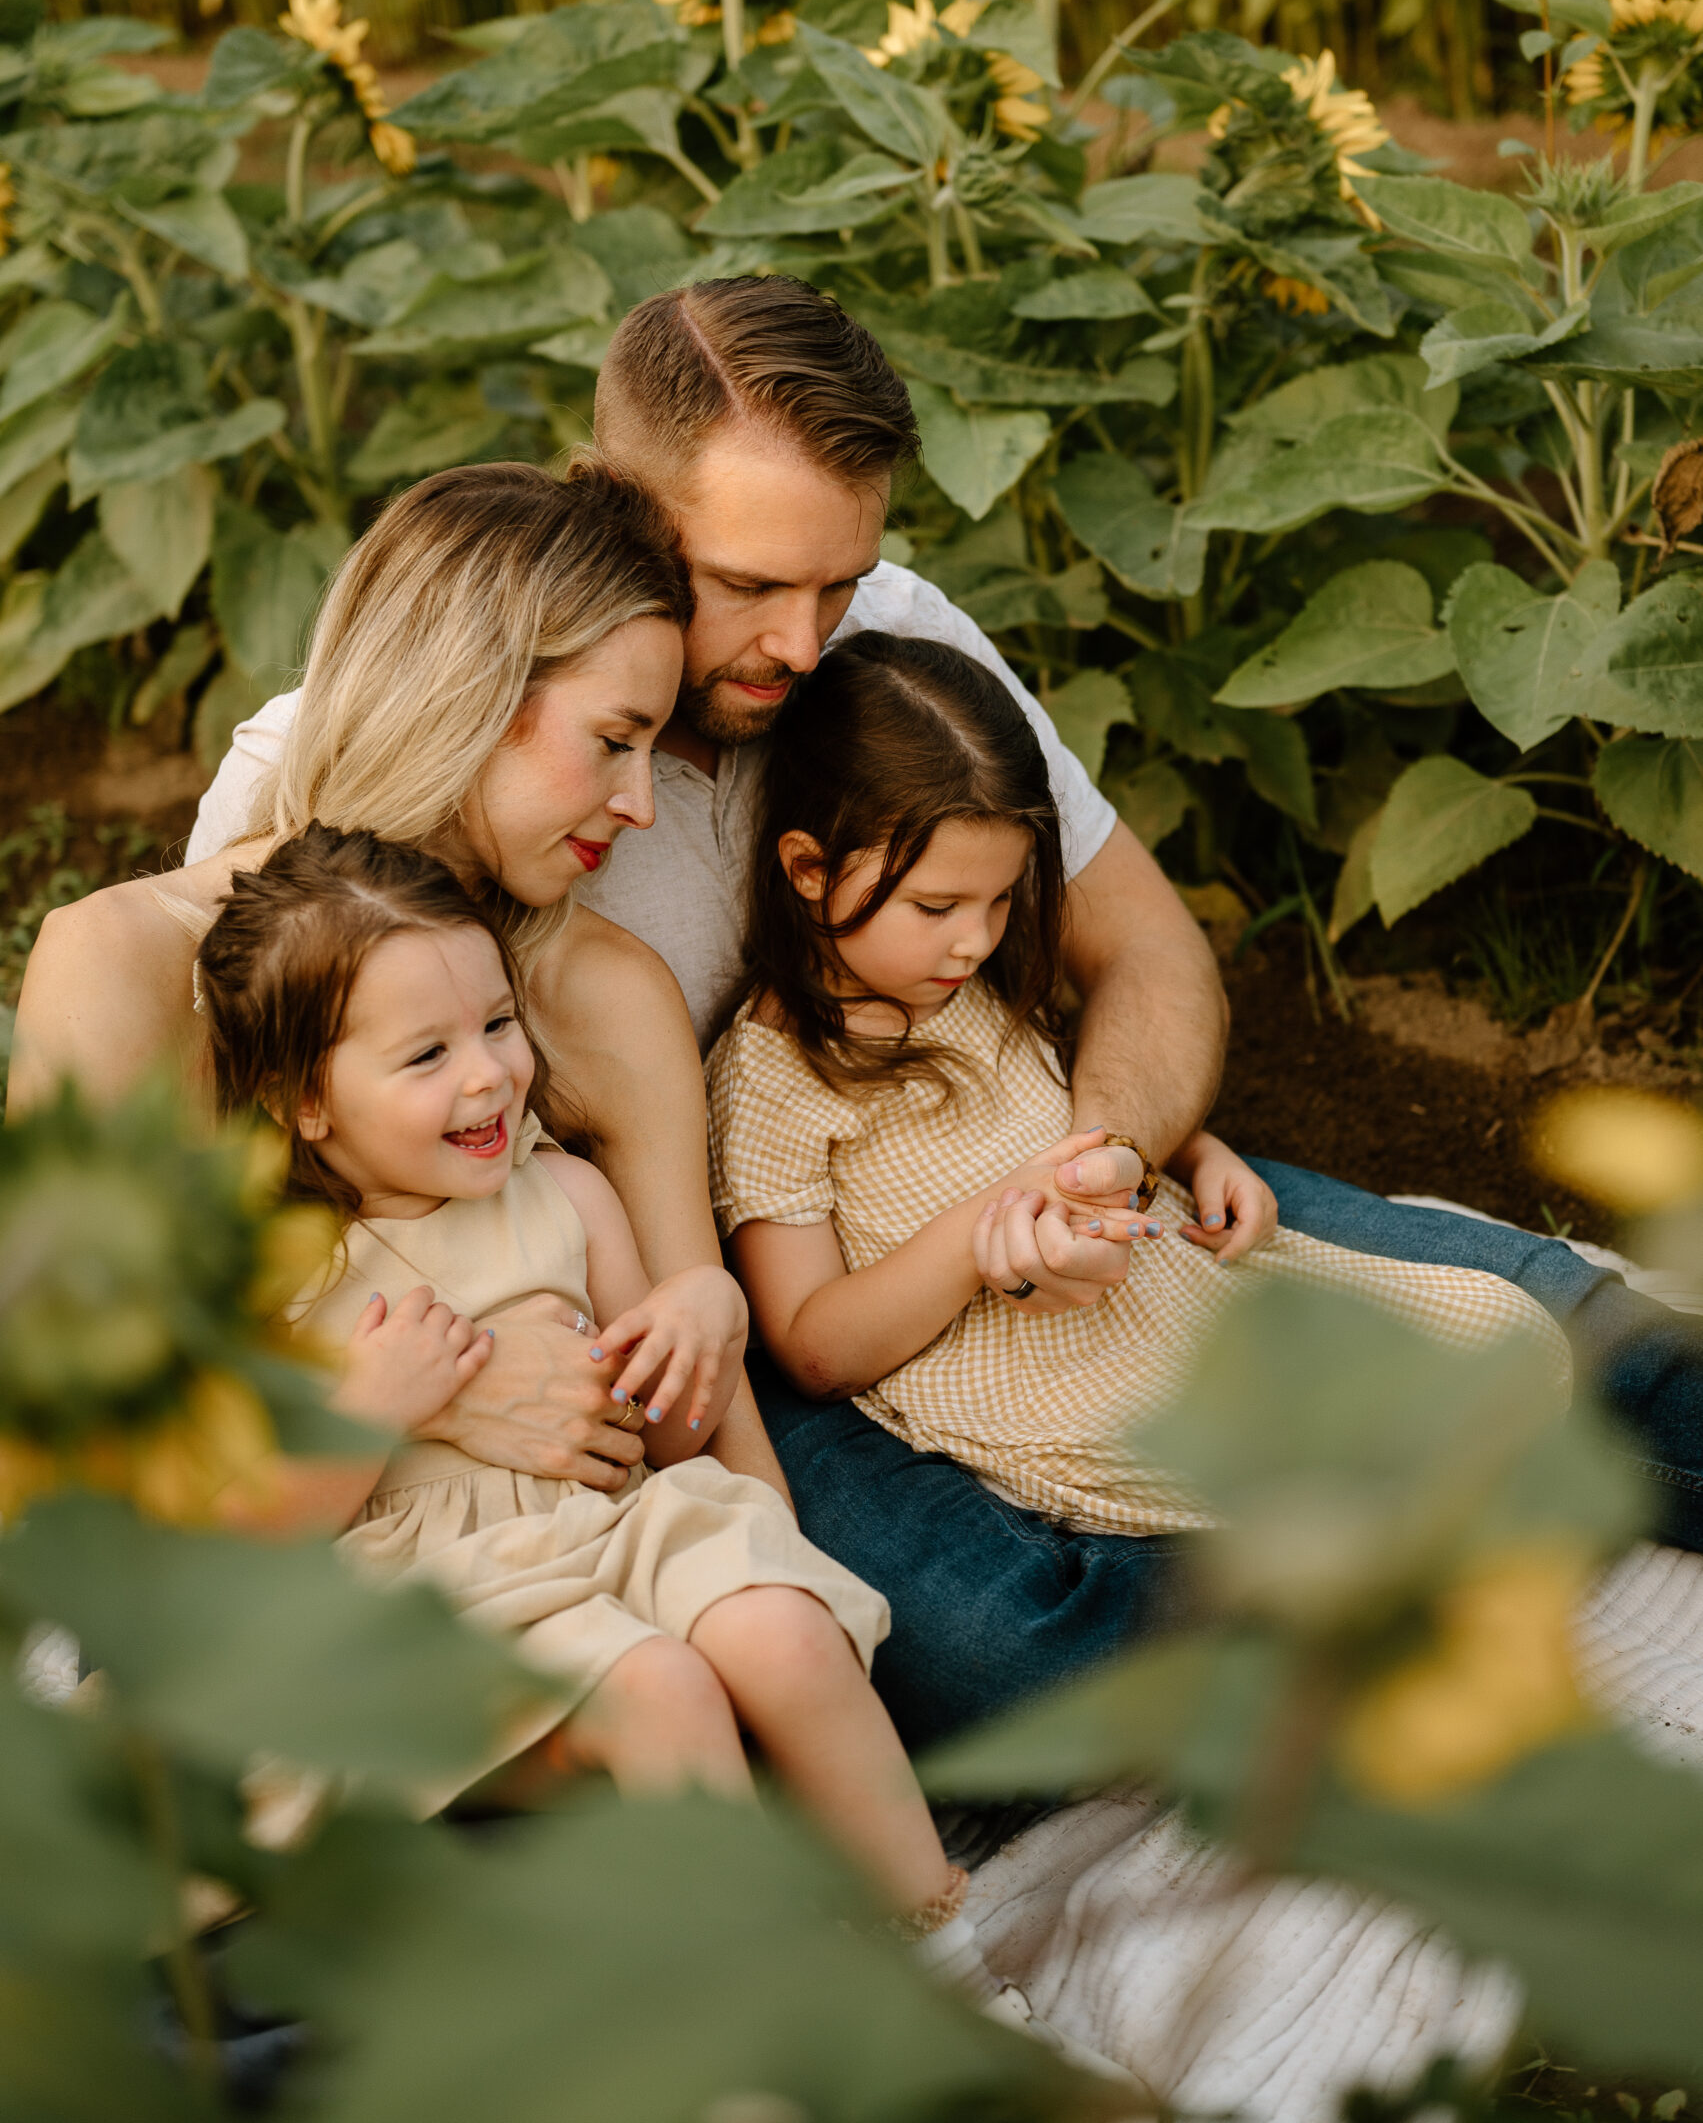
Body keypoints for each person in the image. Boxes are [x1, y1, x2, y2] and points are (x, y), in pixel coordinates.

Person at [29, 275, 1703, 1728]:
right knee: (982, 1651)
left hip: (992, 1140)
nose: (803, 635)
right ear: (612, 507)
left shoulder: (878, 643)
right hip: (768, 1286)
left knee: (1560, 1324)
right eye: (748, 583)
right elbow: (278, 1187)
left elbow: (1146, 955)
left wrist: (1095, 1163)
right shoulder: (365, 770)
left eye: (839, 576)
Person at [706, 635, 1569, 1741]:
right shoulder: (776, 1074)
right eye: (934, 906)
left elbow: (1066, 1089)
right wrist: (979, 1234)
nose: (971, 939)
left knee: (1507, 1332)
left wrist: (1190, 1152)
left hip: (1148, 1292)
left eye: (998, 900)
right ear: (807, 868)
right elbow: (811, 1343)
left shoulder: (962, 982)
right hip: (1021, 1364)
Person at [193, 822, 1000, 1980]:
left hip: (610, 1533)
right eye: (424, 1057)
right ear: (306, 1101)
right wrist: (366, 1415)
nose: (485, 1075)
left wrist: (695, 1320)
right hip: (434, 1600)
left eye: (496, 1024)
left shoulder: (565, 1192)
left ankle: (950, 1968)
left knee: (783, 1629)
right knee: (658, 1685)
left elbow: (668, 1438)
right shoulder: (280, 1274)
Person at [10, 459, 785, 1498]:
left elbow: (716, 1423)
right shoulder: (126, 960)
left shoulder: (604, 996)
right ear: (468, 695)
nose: (641, 803)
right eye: (611, 741)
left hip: (599, 1570)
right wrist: (442, 1387)